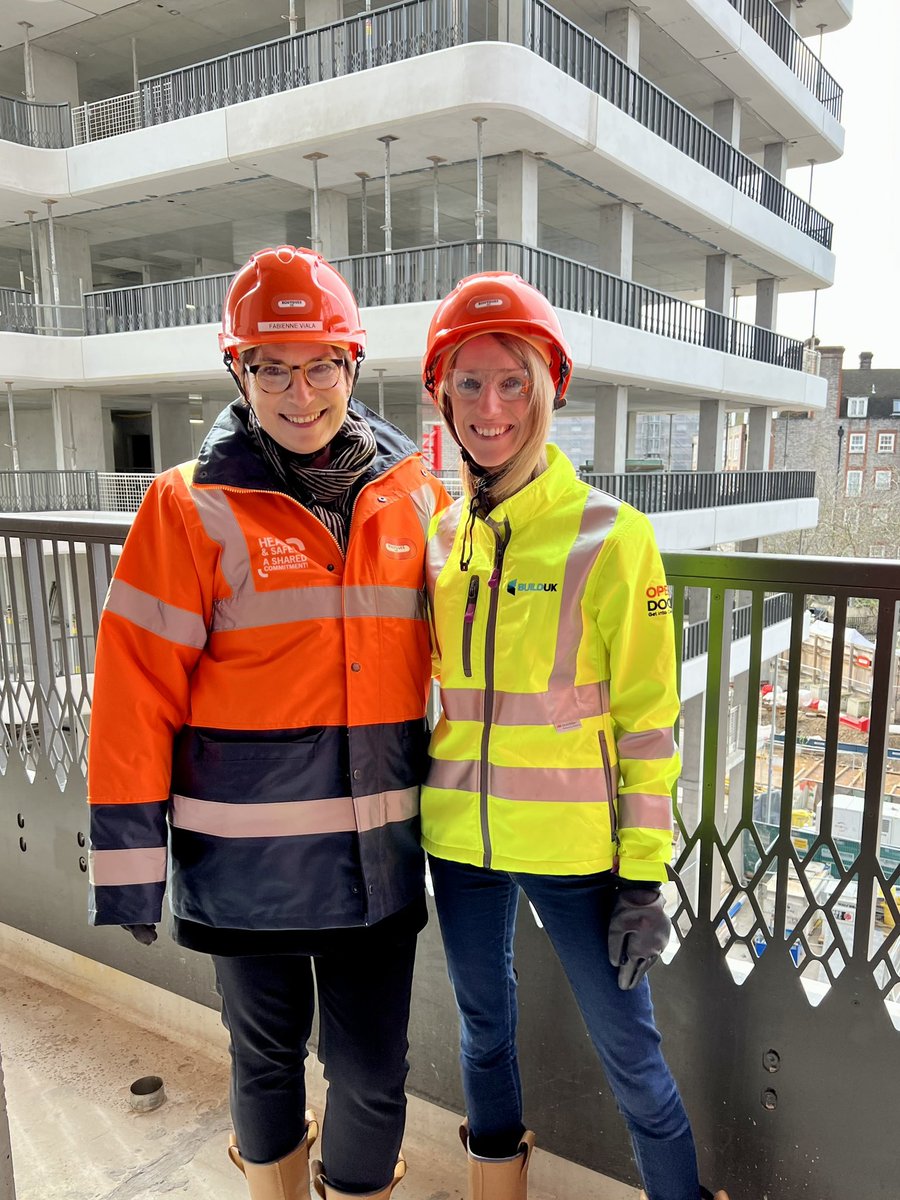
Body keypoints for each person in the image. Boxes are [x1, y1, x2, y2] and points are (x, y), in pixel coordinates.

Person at [87, 245, 449, 1200]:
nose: (300, 391)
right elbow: (132, 695)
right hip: (245, 871)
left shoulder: (414, 494)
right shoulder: (186, 508)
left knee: (373, 1078)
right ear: (238, 373)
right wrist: (130, 872)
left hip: (377, 863)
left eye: (321, 363)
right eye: (272, 367)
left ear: (352, 367)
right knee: (266, 1067)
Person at [419, 272, 730, 1200]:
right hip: (458, 844)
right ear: (442, 395)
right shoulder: (438, 539)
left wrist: (643, 874)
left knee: (631, 1063)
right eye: (468, 384)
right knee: (483, 1034)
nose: (491, 407)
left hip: (580, 855)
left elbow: (648, 723)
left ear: (549, 390)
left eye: (513, 382)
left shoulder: (611, 536)